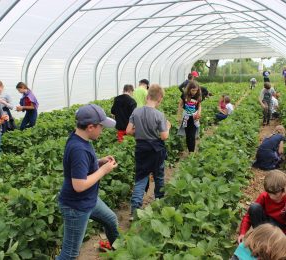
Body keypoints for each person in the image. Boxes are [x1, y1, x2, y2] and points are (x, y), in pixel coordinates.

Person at [57, 104, 119, 259]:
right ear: (91, 127)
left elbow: (79, 167)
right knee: (70, 253)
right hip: (76, 206)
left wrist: (98, 162)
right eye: (101, 127)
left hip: (89, 200)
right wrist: (103, 170)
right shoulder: (79, 149)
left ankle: (119, 253)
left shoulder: (79, 139)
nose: (102, 131)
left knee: (111, 220)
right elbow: (79, 185)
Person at [238, 170, 286, 260]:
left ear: (284, 190)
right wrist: (243, 233)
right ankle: (261, 242)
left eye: (274, 193)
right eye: (269, 193)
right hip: (266, 229)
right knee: (254, 207)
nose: (271, 196)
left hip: (283, 232)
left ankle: (272, 249)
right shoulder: (264, 196)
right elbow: (249, 215)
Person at [126, 84, 171, 220]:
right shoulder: (159, 115)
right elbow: (164, 136)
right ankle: (159, 205)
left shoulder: (136, 112)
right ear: (160, 99)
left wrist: (139, 133)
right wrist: (168, 127)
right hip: (156, 150)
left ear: (147, 96)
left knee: (141, 178)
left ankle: (135, 211)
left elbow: (128, 131)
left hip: (141, 149)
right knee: (158, 177)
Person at [177, 81, 202, 152]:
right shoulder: (184, 95)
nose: (194, 92)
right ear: (189, 89)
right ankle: (189, 151)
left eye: (196, 90)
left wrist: (199, 113)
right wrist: (179, 116)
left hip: (194, 117)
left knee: (192, 135)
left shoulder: (198, 95)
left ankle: (192, 152)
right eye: (193, 90)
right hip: (186, 117)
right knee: (188, 135)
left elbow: (199, 106)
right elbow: (180, 105)